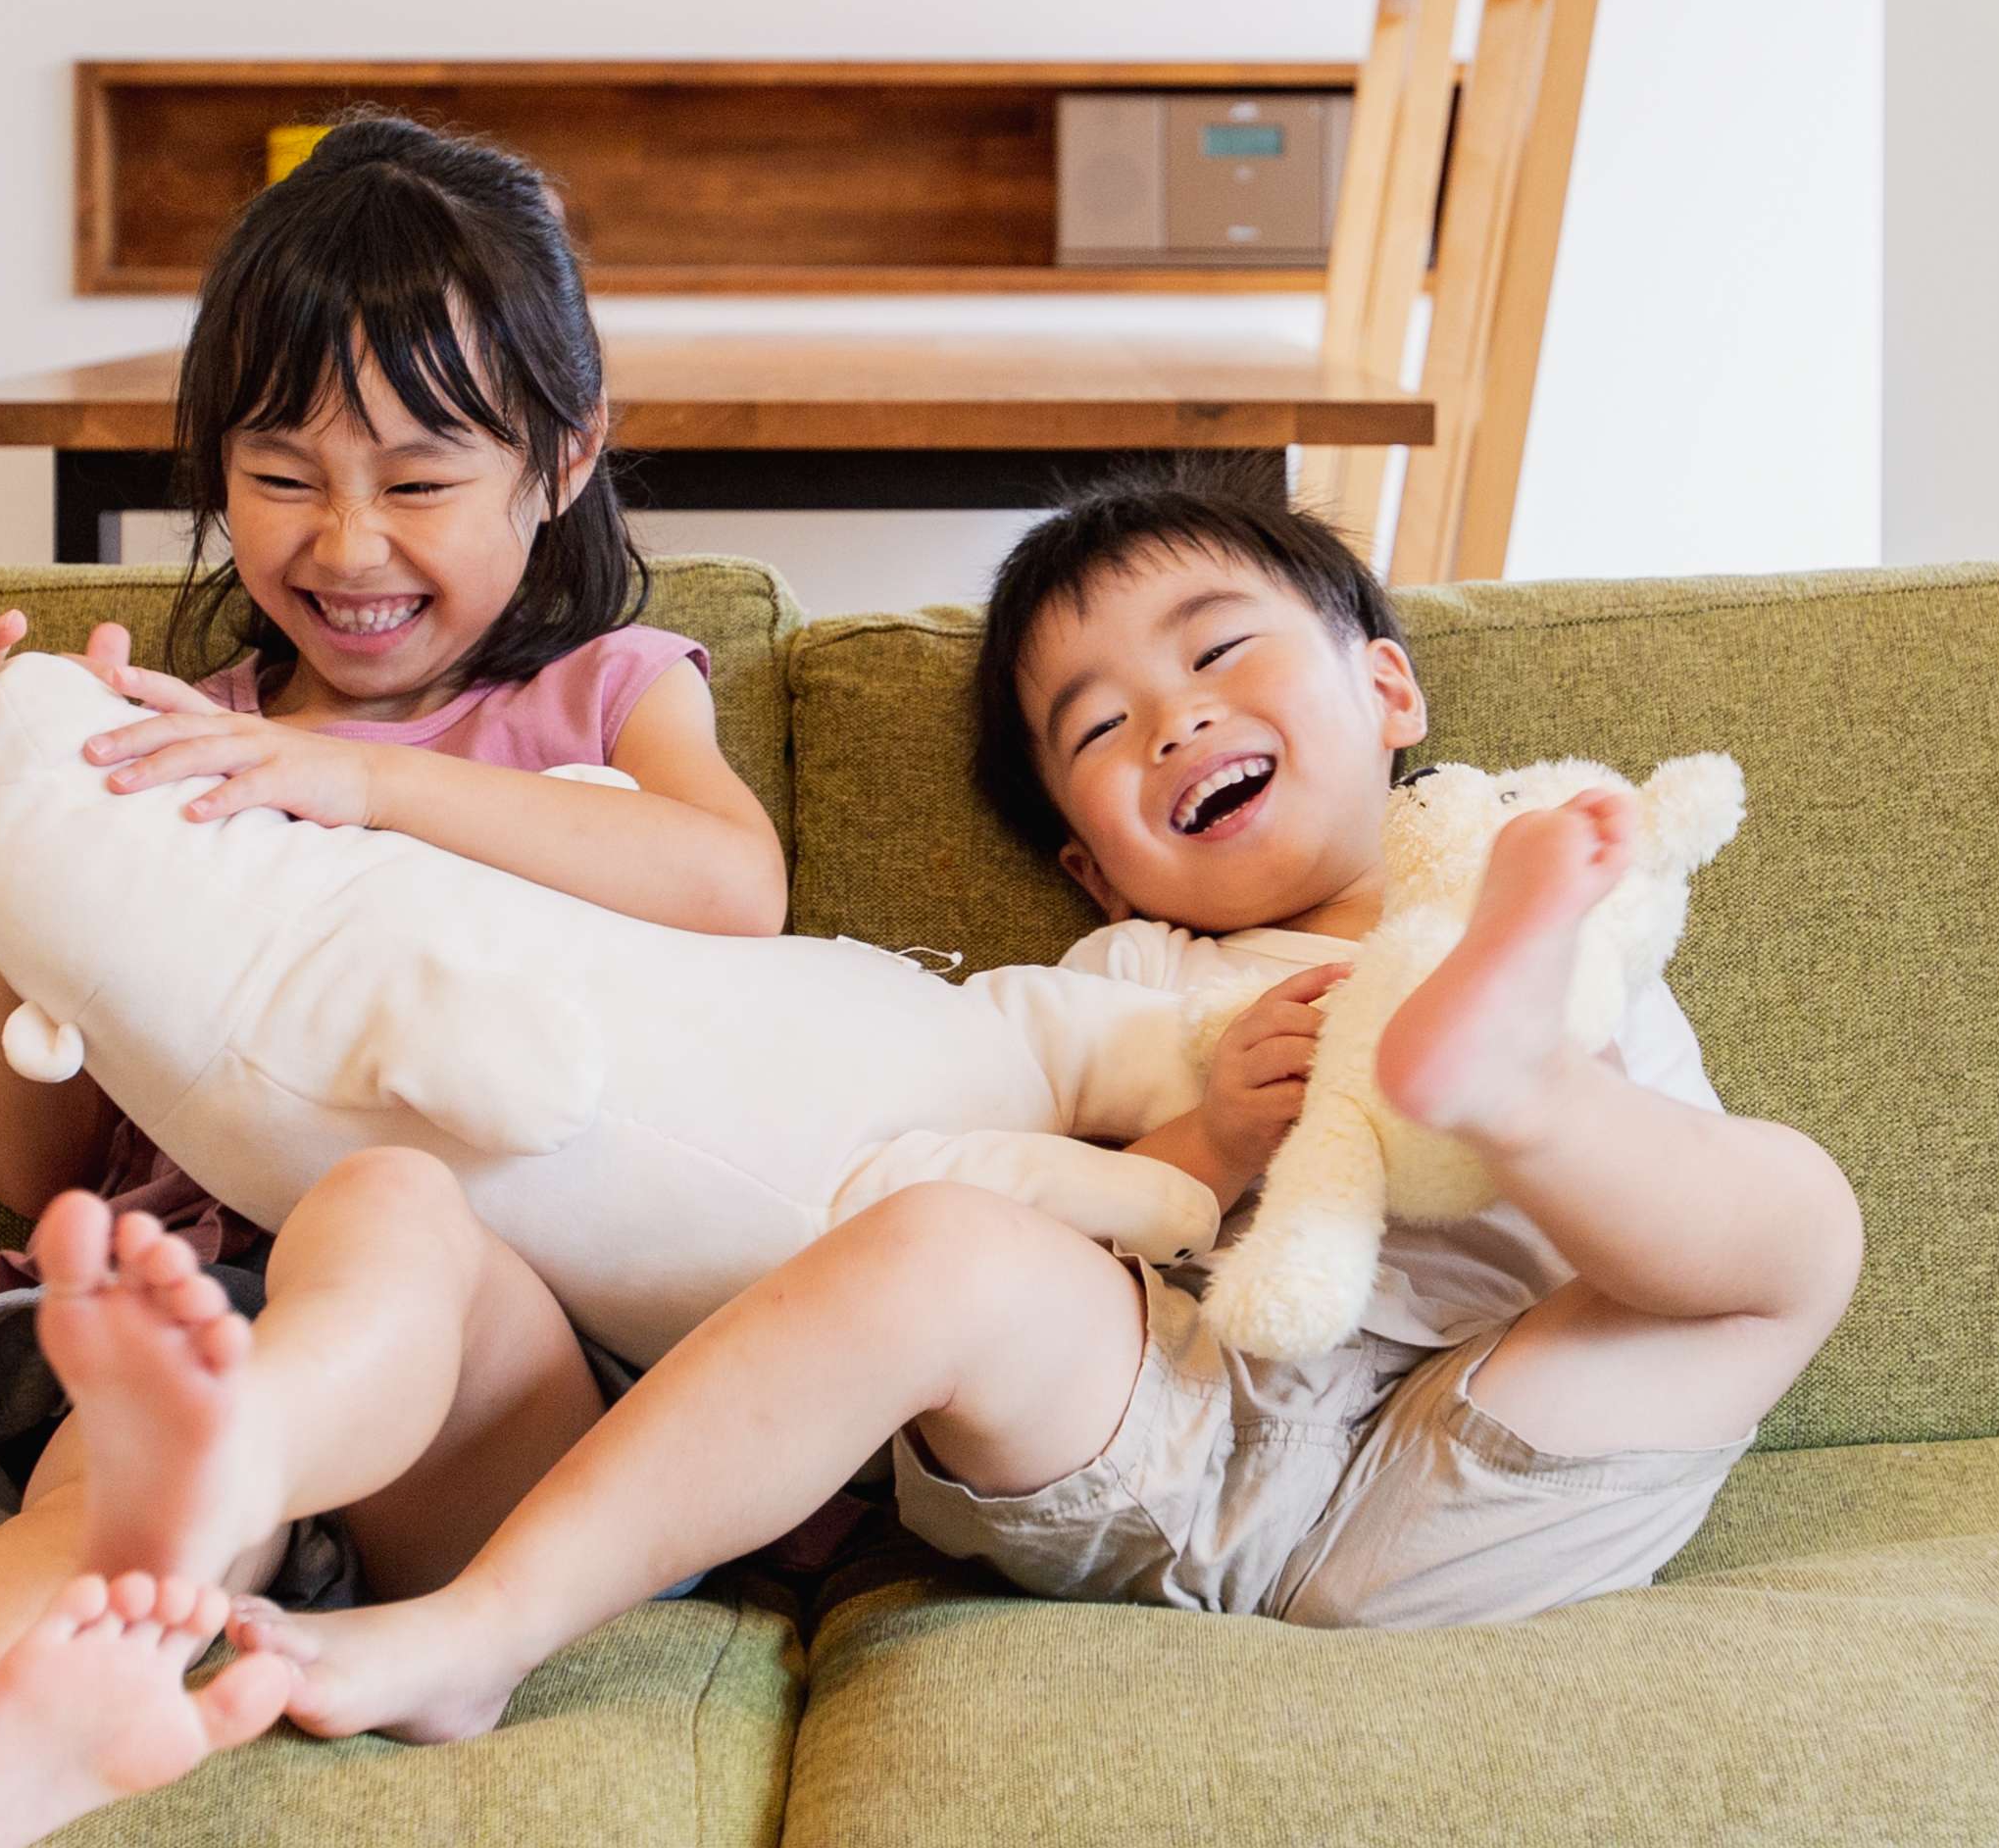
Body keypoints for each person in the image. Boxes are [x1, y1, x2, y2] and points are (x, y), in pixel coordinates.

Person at [219, 481, 1867, 1744]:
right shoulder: (1129, 980)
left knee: (1798, 1225)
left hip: (1513, 1440)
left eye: (1219, 652)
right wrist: (1207, 1145)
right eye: (1102, 727)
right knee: (941, 1241)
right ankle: (486, 1631)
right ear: (1094, 865)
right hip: (1199, 1450)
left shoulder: (1558, 889)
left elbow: (1681, 1245)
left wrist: (1512, 1071)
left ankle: (1509, 1090)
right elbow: (1046, 1211)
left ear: (1388, 689)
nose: (1176, 721)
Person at [0, 115, 776, 1848]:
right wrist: (30, 854)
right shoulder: (170, 735)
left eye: (420, 477)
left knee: (389, 1202)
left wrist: (358, 781)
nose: (346, 542)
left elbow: (733, 889)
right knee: (87, 1534)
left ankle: (228, 1463)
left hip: (498, 1410)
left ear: (561, 460)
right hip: (194, 1331)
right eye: (282, 475)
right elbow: (24, 1172)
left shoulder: (601, 698)